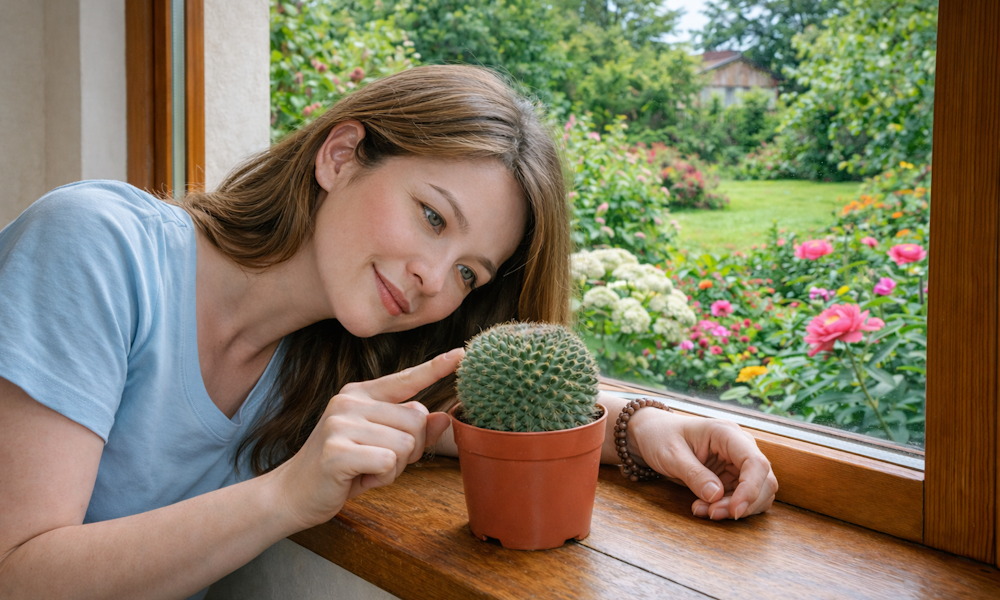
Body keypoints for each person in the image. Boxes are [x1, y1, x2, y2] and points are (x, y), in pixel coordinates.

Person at [0, 64, 777, 598]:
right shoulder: (96, 245)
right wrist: (286, 497)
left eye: (471, 272)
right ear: (341, 155)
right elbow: (18, 575)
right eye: (432, 215)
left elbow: (494, 399)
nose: (434, 281)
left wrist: (651, 426)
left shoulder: (342, 366)